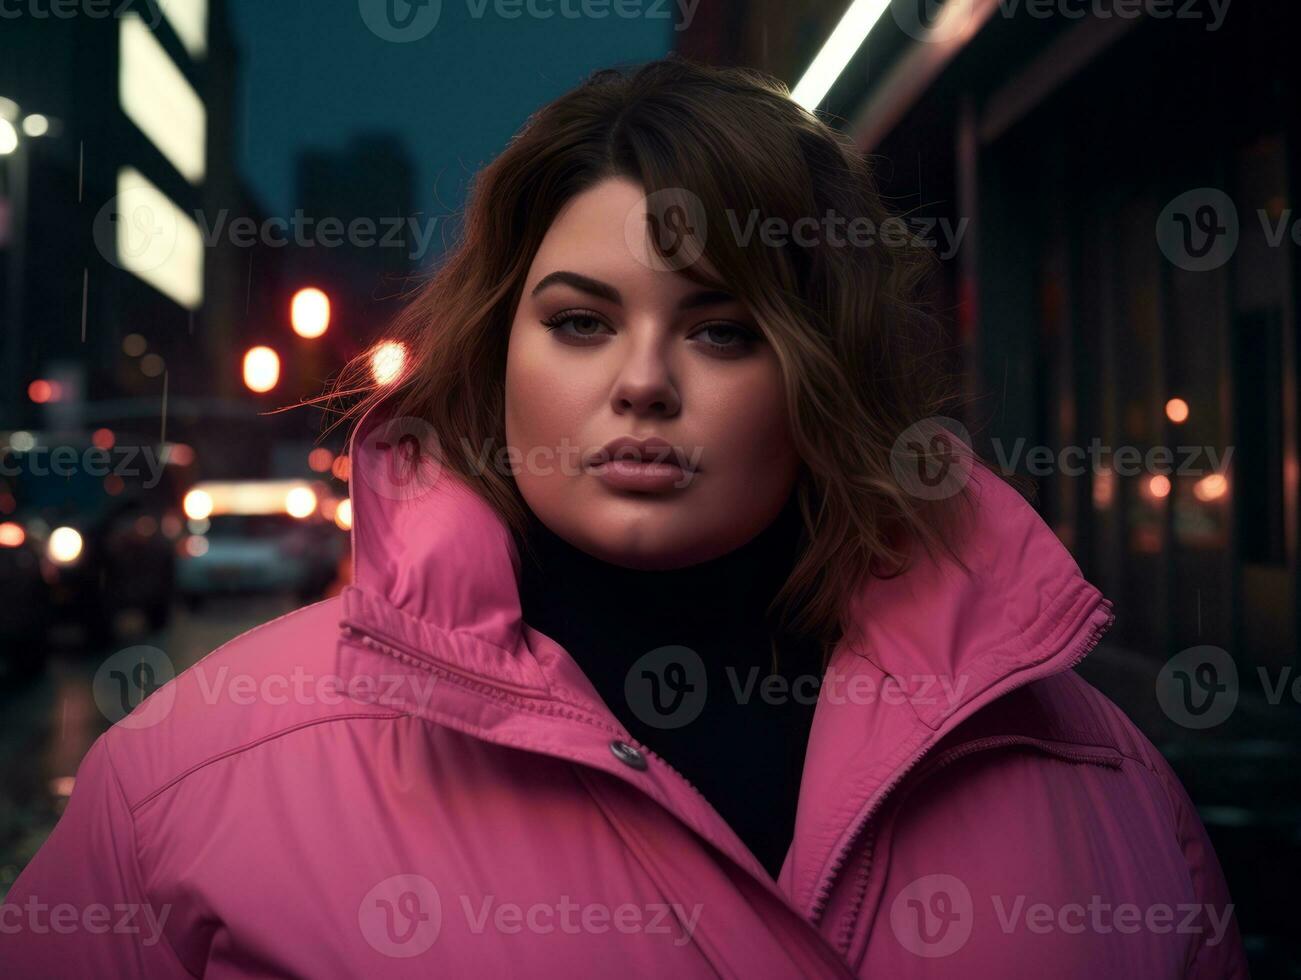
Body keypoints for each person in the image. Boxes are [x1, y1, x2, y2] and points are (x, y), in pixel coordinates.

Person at [1, 58, 1247, 978]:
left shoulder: (1093, 770)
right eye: (581, 321)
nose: (642, 380)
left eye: (719, 328)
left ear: (821, 374)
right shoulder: (194, 780)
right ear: (496, 354)